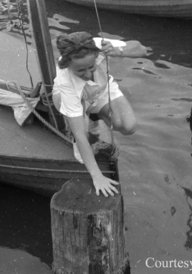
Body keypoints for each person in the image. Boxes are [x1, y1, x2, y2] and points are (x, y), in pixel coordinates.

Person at [52, 31, 137, 197]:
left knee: (128, 126)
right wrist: (97, 176)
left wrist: (117, 50)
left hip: (101, 89)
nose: (87, 73)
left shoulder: (97, 45)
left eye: (91, 67)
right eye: (80, 70)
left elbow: (142, 49)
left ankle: (94, 114)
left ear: (96, 55)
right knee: (81, 135)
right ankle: (81, 116)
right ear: (68, 66)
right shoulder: (67, 82)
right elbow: (80, 135)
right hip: (75, 97)